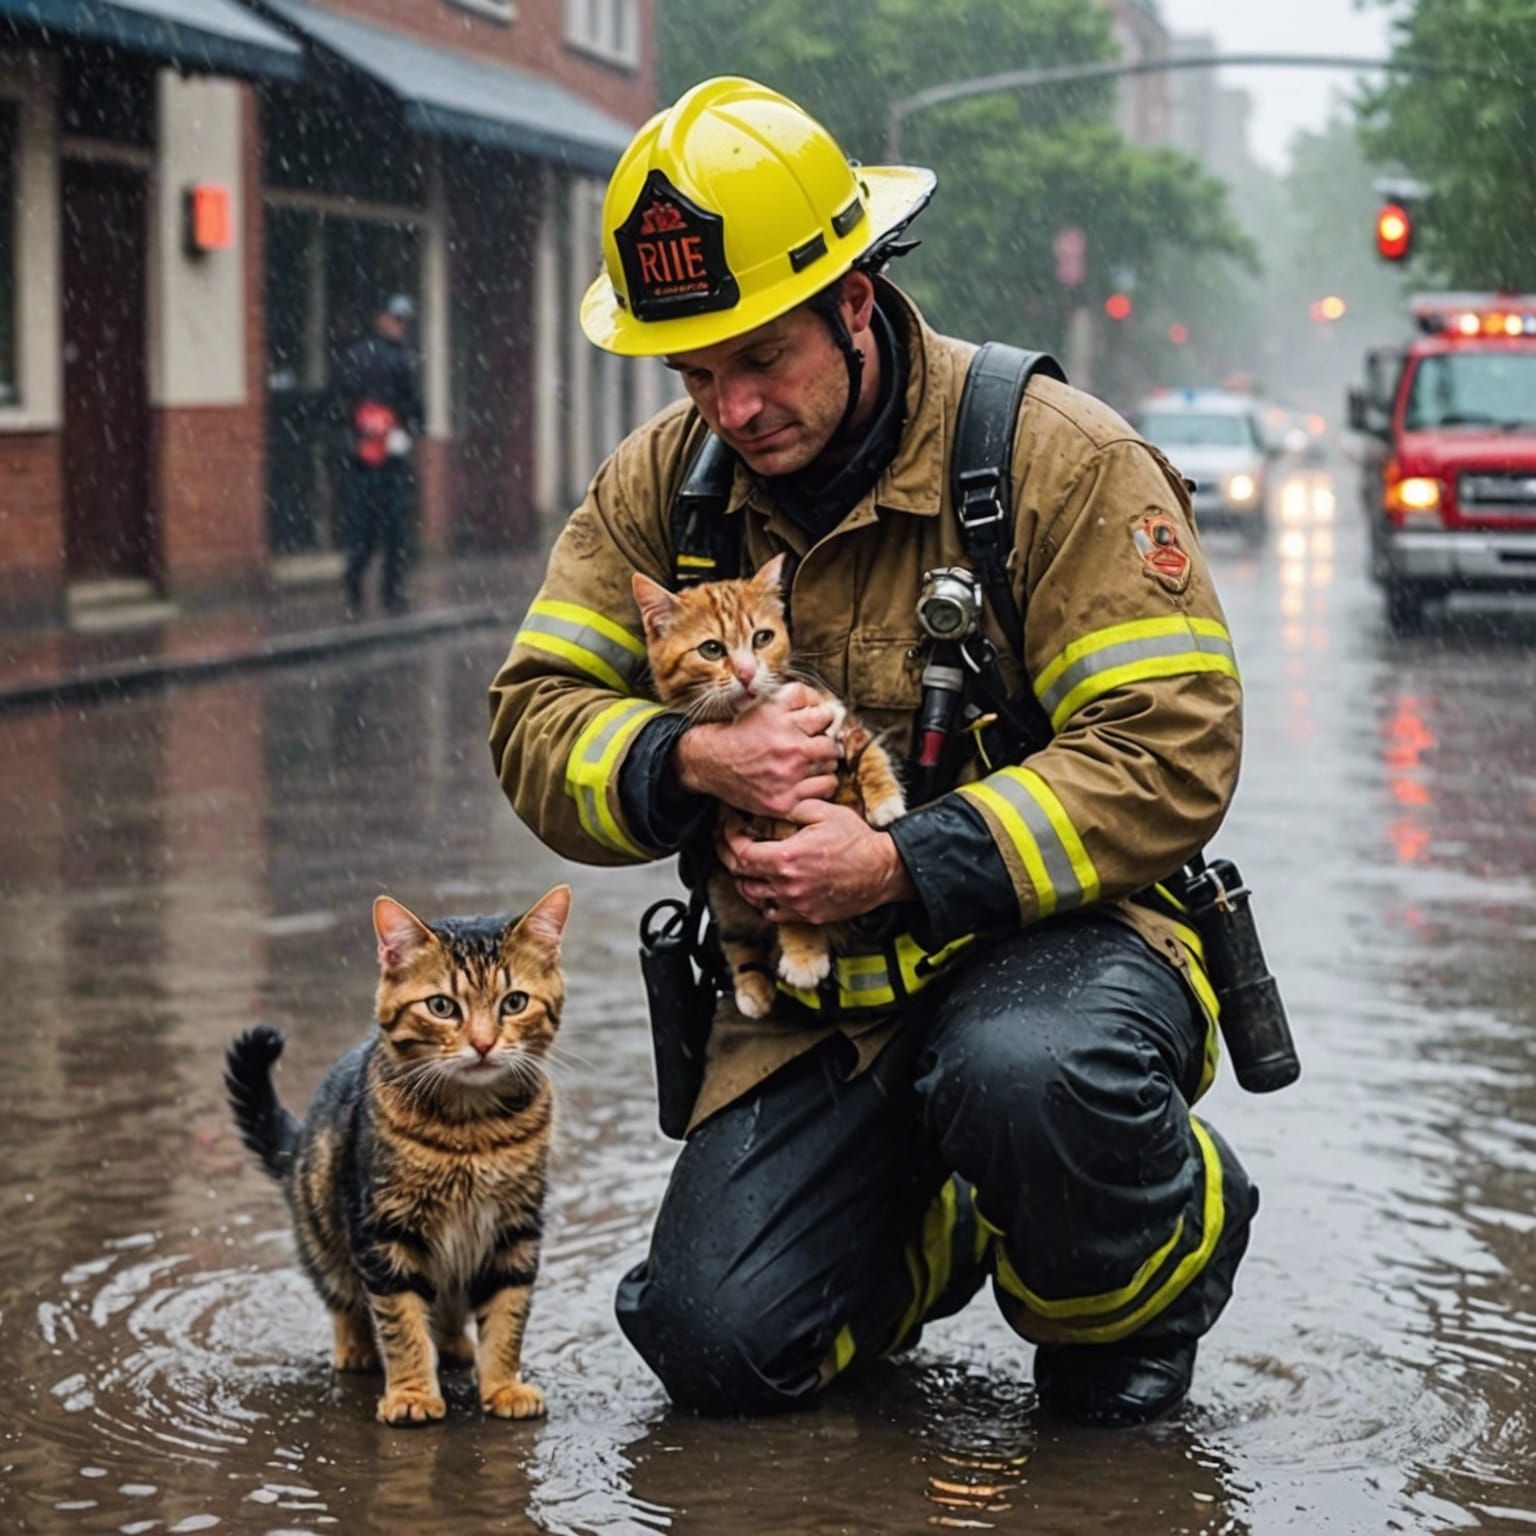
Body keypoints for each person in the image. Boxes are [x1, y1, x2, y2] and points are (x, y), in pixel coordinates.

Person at [487, 77, 1258, 1428]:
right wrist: (686, 763)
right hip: (816, 1004)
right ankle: (938, 1223)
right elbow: (533, 715)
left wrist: (904, 860)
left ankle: (1152, 1255)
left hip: (1056, 958)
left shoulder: (1052, 458)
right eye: (694, 373)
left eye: (760, 358)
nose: (727, 409)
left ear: (855, 299)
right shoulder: (657, 491)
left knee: (1028, 1084)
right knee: (717, 1347)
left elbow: (1170, 751)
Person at [332, 293, 422, 616]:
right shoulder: (385, 359)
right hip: (372, 461)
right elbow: (413, 409)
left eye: (404, 321)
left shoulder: (367, 356)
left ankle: (370, 596)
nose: (401, 326)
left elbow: (413, 410)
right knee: (376, 532)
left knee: (379, 532)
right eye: (396, 319)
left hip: (379, 460)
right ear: (381, 318)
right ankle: (375, 596)